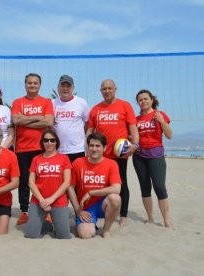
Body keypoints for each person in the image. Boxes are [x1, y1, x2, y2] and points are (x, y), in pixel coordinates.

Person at [86, 79, 139, 227]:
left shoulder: (125, 105)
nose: (107, 91)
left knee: (121, 183)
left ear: (115, 89)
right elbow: (90, 131)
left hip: (119, 154)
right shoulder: (96, 109)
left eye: (110, 88)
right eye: (104, 89)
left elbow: (133, 127)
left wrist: (135, 145)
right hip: (100, 154)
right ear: (100, 91)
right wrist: (88, 151)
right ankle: (101, 211)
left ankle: (123, 215)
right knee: (98, 183)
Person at [11, 73, 54, 225]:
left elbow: (48, 122)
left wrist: (25, 120)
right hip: (22, 148)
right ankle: (24, 211)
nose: (32, 85)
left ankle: (46, 211)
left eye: (35, 83)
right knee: (24, 181)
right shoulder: (18, 102)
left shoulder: (46, 102)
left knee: (43, 181)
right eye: (29, 83)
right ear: (25, 84)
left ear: (39, 85)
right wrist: (38, 118)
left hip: (41, 148)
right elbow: (16, 120)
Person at [67, 133, 122, 238]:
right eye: (91, 145)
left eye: (98, 146)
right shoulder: (78, 162)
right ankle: (90, 224)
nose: (94, 149)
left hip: (103, 204)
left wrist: (91, 193)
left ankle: (106, 230)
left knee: (115, 198)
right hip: (86, 207)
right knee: (85, 235)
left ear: (104, 148)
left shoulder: (111, 164)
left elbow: (117, 188)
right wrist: (78, 209)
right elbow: (70, 187)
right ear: (87, 147)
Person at [133, 90, 173, 227]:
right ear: (138, 102)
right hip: (139, 156)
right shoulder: (136, 119)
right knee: (145, 188)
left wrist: (162, 122)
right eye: (140, 100)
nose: (143, 101)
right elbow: (132, 137)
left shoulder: (160, 115)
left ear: (151, 100)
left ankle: (167, 220)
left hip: (156, 155)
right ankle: (150, 218)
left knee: (160, 187)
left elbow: (169, 135)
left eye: (145, 99)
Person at [25, 130, 72, 239]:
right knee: (31, 235)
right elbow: (31, 183)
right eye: (46, 140)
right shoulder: (36, 159)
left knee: (63, 236)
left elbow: (66, 182)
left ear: (56, 142)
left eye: (52, 140)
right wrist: (42, 200)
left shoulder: (64, 158)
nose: (49, 143)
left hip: (58, 200)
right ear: (42, 142)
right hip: (38, 201)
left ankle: (54, 224)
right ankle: (46, 225)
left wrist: (51, 199)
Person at [52, 75, 89, 163]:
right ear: (58, 87)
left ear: (73, 88)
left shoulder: (81, 103)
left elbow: (87, 123)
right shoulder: (52, 103)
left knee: (76, 177)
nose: (65, 88)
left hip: (77, 150)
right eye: (63, 86)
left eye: (68, 86)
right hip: (58, 151)